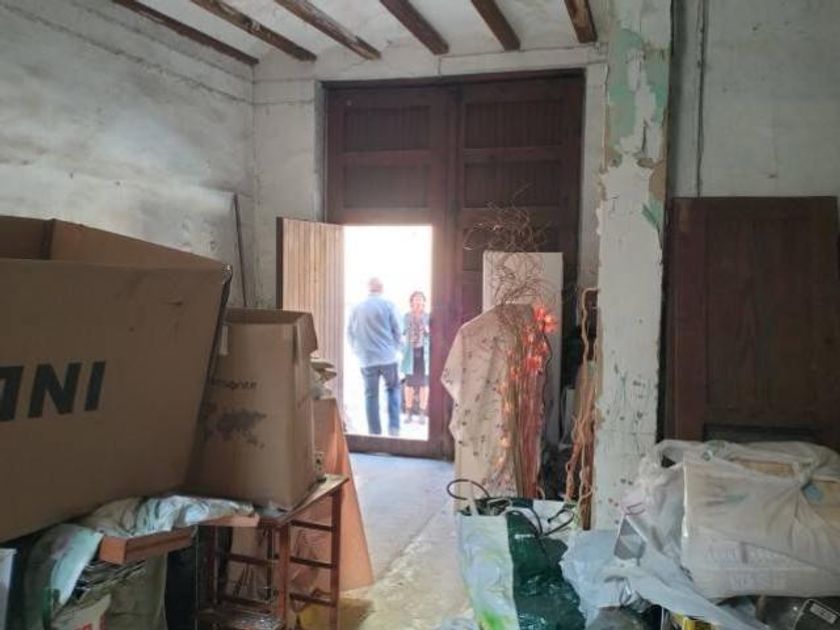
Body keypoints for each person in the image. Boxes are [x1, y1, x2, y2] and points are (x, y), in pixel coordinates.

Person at [347, 277, 402, 436]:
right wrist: (396, 349)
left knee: (371, 396)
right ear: (381, 288)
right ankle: (394, 429)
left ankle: (374, 433)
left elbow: (350, 333)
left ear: (368, 288)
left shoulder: (357, 307)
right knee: (393, 389)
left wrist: (357, 351)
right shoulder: (388, 305)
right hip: (387, 357)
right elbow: (397, 330)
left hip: (367, 359)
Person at [401, 291, 430, 424]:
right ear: (411, 302)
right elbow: (401, 332)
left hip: (424, 353)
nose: (418, 301)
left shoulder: (428, 317)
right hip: (410, 353)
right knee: (409, 384)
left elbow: (434, 334)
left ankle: (422, 413)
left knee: (424, 384)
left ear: (424, 302)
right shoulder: (406, 316)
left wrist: (428, 329)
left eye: (420, 299)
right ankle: (408, 413)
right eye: (416, 299)